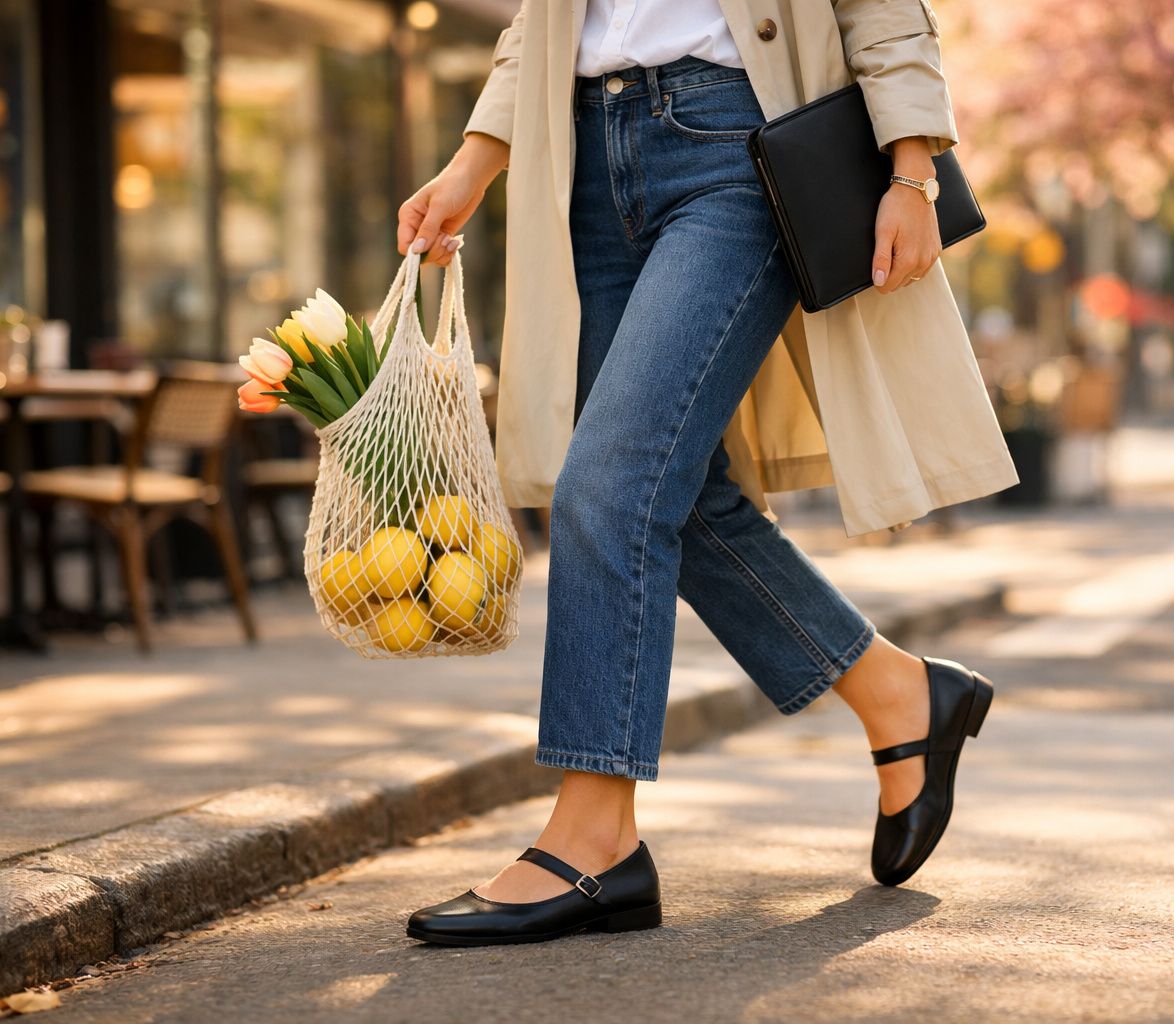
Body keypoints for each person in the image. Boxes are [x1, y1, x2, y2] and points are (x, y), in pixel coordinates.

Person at [396, 0, 1017, 947]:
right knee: (671, 496)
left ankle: (594, 836)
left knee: (609, 487)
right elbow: (543, 22)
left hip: (737, 146)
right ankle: (898, 693)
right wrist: (472, 163)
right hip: (584, 156)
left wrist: (912, 169)